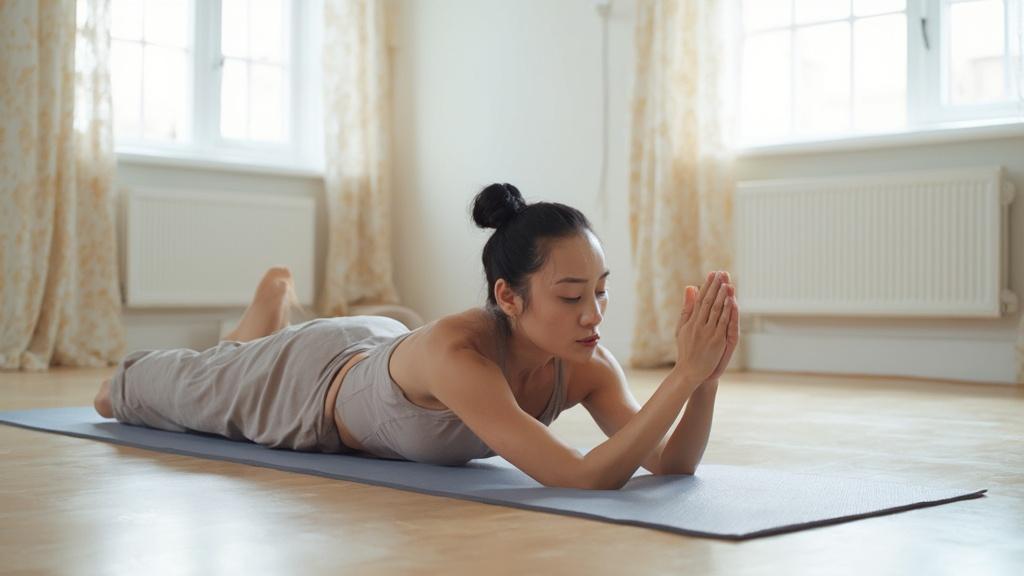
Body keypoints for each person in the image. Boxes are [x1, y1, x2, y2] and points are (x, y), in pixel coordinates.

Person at [94, 183, 739, 490]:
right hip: (301, 385)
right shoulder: (461, 356)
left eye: (600, 290)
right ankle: (267, 319)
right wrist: (679, 375)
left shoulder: (588, 363)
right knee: (113, 397)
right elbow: (580, 476)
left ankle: (269, 312)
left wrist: (704, 379)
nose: (592, 314)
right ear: (507, 297)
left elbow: (668, 463)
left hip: (382, 351)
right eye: (570, 297)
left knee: (238, 356)